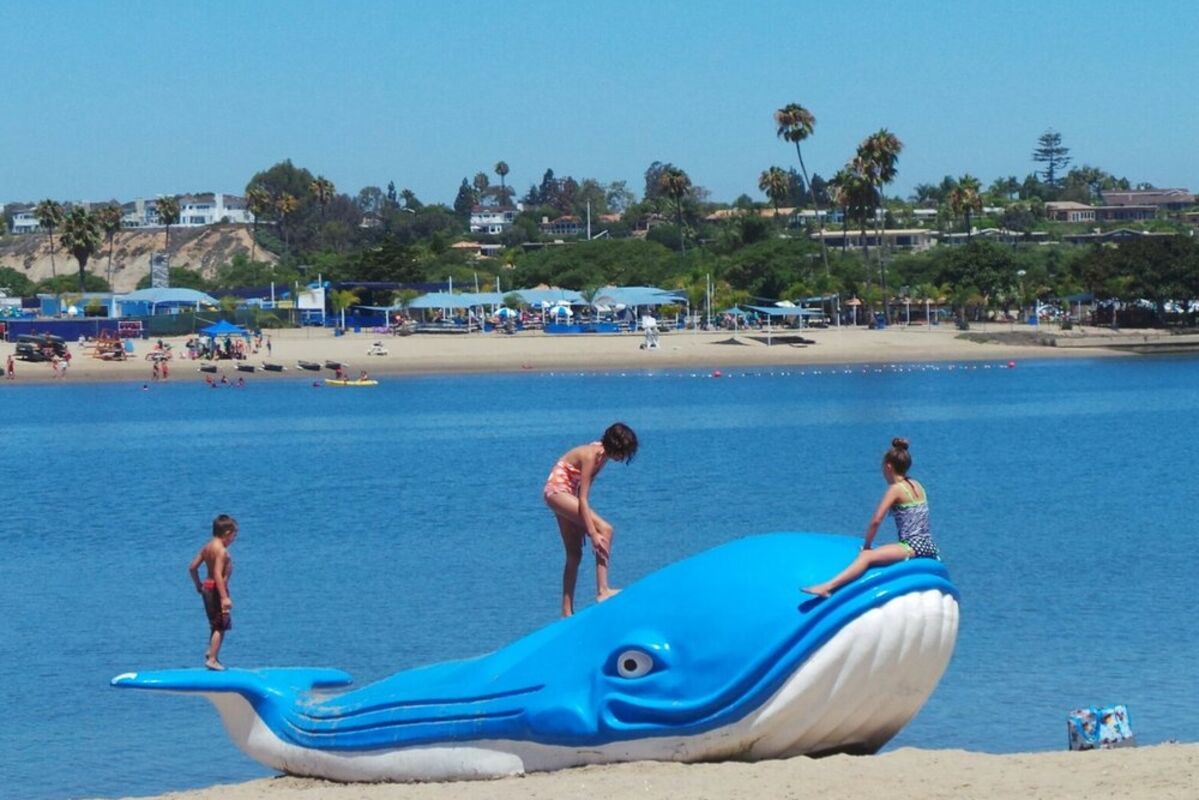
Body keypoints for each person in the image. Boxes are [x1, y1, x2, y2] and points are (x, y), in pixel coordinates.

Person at [802, 438, 939, 598]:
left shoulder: (895, 489)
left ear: (888, 467)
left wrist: (867, 547)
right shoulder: (917, 485)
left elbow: (876, 521)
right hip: (930, 547)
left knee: (866, 557)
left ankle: (827, 587)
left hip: (911, 547)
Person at [543, 422, 639, 617]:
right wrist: (593, 532)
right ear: (616, 446)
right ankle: (602, 590)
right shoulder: (592, 455)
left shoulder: (602, 458)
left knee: (574, 553)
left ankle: (566, 611)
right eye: (623, 452)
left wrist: (582, 523)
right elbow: (583, 499)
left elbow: (579, 492)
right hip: (557, 492)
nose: (622, 458)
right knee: (606, 530)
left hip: (563, 493)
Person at [188, 514, 238, 670]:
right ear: (228, 533)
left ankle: (211, 651)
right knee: (220, 626)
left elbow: (192, 567)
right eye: (234, 536)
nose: (233, 540)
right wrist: (224, 598)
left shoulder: (207, 547)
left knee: (214, 623)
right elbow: (217, 574)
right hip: (217, 589)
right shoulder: (221, 551)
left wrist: (198, 584)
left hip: (207, 587)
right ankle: (212, 659)